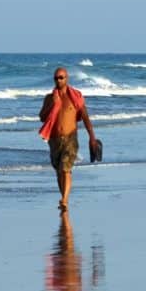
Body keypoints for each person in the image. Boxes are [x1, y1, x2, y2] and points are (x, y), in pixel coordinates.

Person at [38, 68, 99, 211]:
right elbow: (41, 117)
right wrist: (53, 104)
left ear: (67, 78)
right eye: (56, 78)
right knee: (59, 171)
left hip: (70, 138)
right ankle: (64, 198)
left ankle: (64, 199)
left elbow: (85, 117)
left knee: (65, 169)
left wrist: (92, 137)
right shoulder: (49, 98)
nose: (58, 80)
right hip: (54, 140)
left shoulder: (75, 97)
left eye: (61, 77)